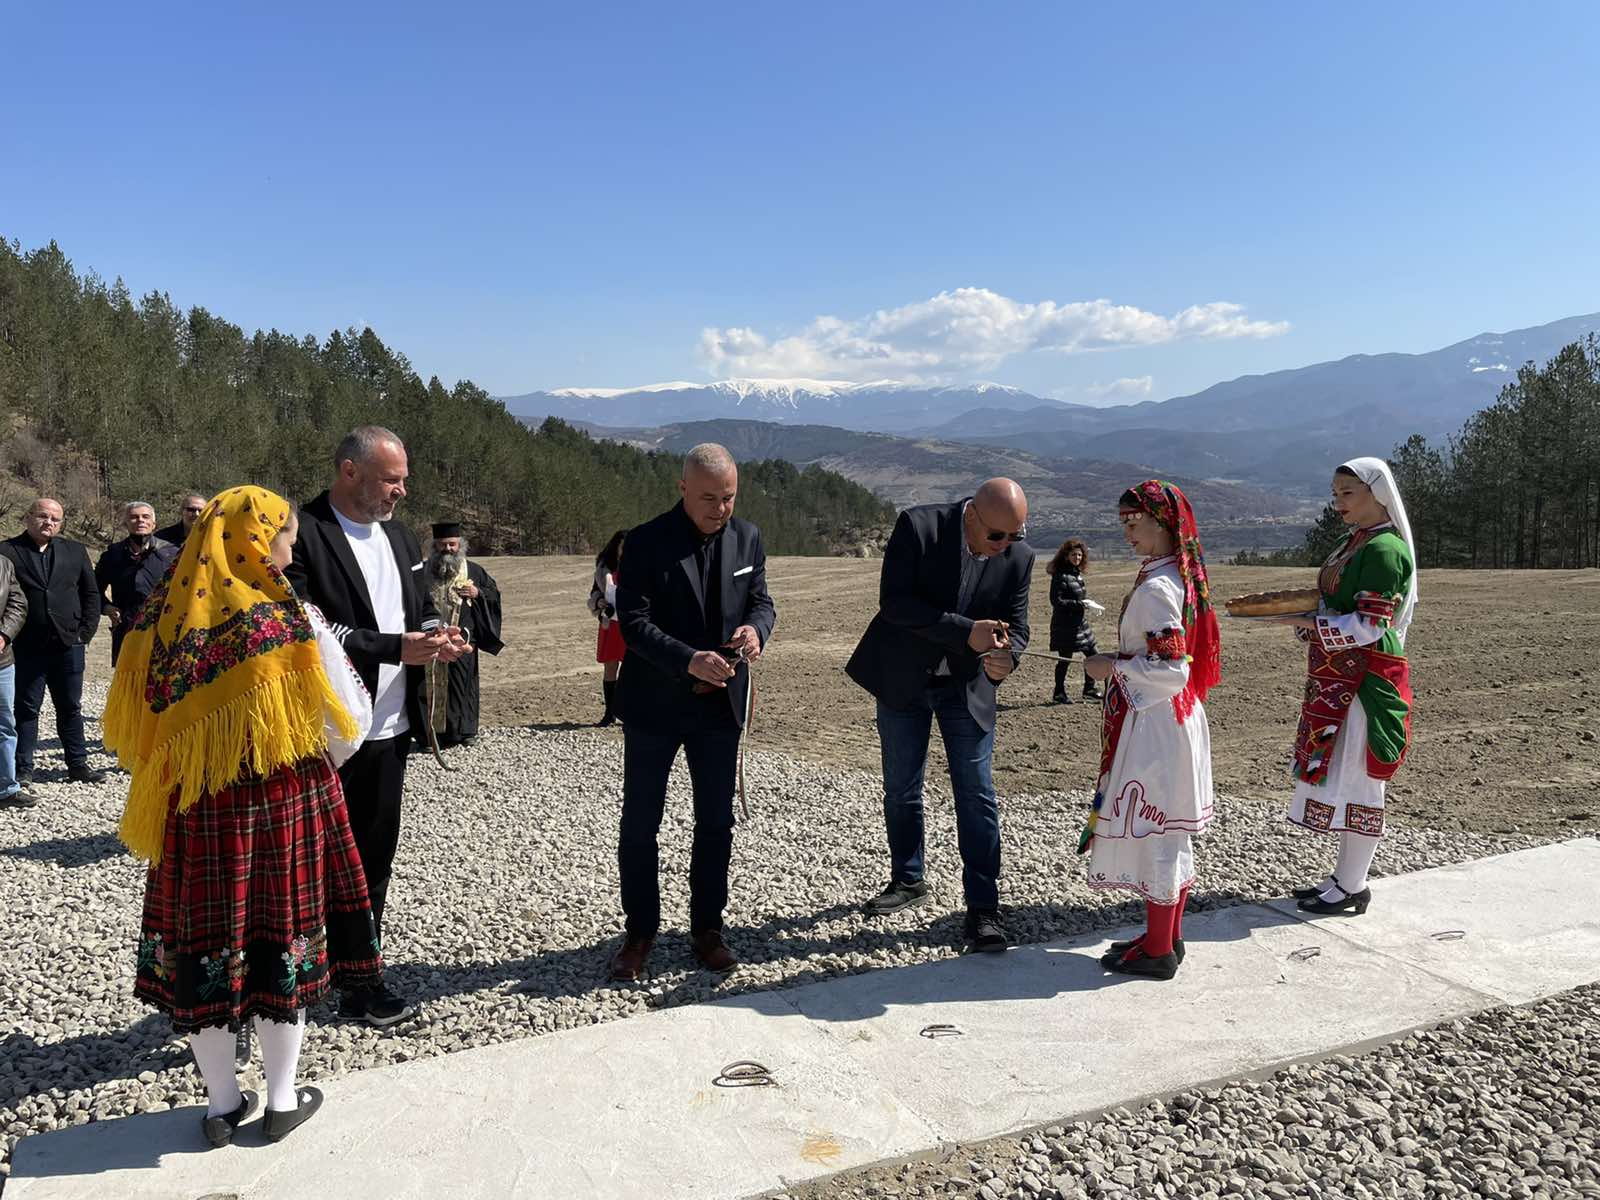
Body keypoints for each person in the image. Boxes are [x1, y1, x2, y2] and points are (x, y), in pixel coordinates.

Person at [104, 486, 382, 1145]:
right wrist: (304, 761)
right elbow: (350, 722)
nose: (290, 549)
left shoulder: (159, 623)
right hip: (285, 799)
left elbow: (138, 730)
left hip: (196, 806)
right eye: (286, 536)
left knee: (205, 945)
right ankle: (282, 1099)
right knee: (282, 938)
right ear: (256, 540)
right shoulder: (291, 619)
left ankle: (222, 1106)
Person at [284, 426, 469, 1025]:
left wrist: (437, 636)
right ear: (349, 471)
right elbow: (307, 629)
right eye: (391, 480)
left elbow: (417, 605)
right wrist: (395, 648)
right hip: (327, 732)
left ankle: (361, 978)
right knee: (308, 862)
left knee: (373, 859)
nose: (401, 491)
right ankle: (294, 980)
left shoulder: (400, 533)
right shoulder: (303, 533)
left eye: (403, 479)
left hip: (391, 727)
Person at [845, 478, 1035, 953]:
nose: (1005, 545)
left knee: (977, 793)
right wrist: (965, 632)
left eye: (1015, 535)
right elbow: (895, 604)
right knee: (901, 787)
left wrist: (1007, 658)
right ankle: (908, 879)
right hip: (904, 680)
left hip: (967, 688)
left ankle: (983, 907)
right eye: (997, 535)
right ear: (971, 516)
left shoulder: (1019, 556)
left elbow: (1019, 627)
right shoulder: (919, 526)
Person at [609, 444, 776, 982]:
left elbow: (762, 602)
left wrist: (756, 630)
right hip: (655, 705)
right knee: (641, 824)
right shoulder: (644, 542)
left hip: (720, 707)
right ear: (682, 488)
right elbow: (634, 624)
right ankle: (640, 932)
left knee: (716, 822)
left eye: (729, 497)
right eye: (709, 498)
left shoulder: (748, 538)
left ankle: (708, 929)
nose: (720, 508)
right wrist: (688, 660)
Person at [1080, 480, 1220, 981]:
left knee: (1157, 830)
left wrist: (1112, 667)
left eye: (1134, 522)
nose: (1127, 532)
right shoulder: (1174, 574)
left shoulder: (1159, 587)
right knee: (1169, 832)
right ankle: (1166, 937)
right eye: (1123, 522)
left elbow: (1172, 669)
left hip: (1158, 724)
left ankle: (1159, 949)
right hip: (1172, 718)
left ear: (1163, 523)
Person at [1281, 457, 1417, 917]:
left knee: (1361, 779)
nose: (1338, 502)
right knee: (1343, 772)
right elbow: (1334, 606)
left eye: (1348, 493)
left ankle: (1354, 884)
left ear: (1376, 493)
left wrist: (1309, 623)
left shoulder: (1384, 550)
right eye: (1335, 493)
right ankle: (1343, 878)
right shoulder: (1354, 541)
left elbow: (1370, 625)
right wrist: (1307, 618)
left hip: (1365, 679)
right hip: (1339, 677)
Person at [0, 499, 105, 791]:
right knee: (26, 708)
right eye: (43, 516)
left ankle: (78, 764)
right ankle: (23, 769)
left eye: (55, 519)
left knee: (70, 707)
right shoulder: (7, 551)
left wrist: (85, 633)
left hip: (68, 644)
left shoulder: (75, 550)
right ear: (28, 517)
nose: (49, 522)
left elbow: (91, 594)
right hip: (26, 646)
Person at [423, 522, 504, 749]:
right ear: (435, 546)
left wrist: (478, 592)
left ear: (460, 545)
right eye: (442, 545)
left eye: (452, 544)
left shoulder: (474, 571)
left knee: (463, 684)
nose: (447, 549)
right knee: (428, 685)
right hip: (429, 637)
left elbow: (493, 594)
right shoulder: (422, 571)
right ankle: (430, 735)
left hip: (464, 638)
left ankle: (465, 732)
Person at [95, 500, 180, 666]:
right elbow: (92, 590)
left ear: (154, 523)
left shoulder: (173, 554)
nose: (140, 520)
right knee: (128, 679)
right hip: (126, 630)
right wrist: (106, 607)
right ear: (125, 523)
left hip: (164, 631)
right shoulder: (112, 555)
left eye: (145, 517)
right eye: (134, 517)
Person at [1046, 538, 1102, 704]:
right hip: (1065, 625)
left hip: (1080, 624)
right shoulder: (1060, 576)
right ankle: (1059, 693)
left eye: (1079, 555)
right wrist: (1081, 604)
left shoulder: (1075, 574)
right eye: (1073, 555)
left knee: (1093, 654)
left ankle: (1089, 689)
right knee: (1065, 659)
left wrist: (1087, 603)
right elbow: (1056, 601)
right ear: (1066, 556)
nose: (1077, 558)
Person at [0, 553, 31, 807]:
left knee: (4, 724)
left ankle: (6, 788)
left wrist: (4, 635)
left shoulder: (3, 564)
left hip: (1, 662)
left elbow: (17, 604)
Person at [588, 529, 627, 726]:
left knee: (631, 669)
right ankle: (609, 713)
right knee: (610, 667)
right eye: (623, 547)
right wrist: (599, 602)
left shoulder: (640, 566)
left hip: (631, 624)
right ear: (616, 547)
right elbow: (594, 593)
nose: (626, 550)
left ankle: (628, 714)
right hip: (610, 624)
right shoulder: (603, 568)